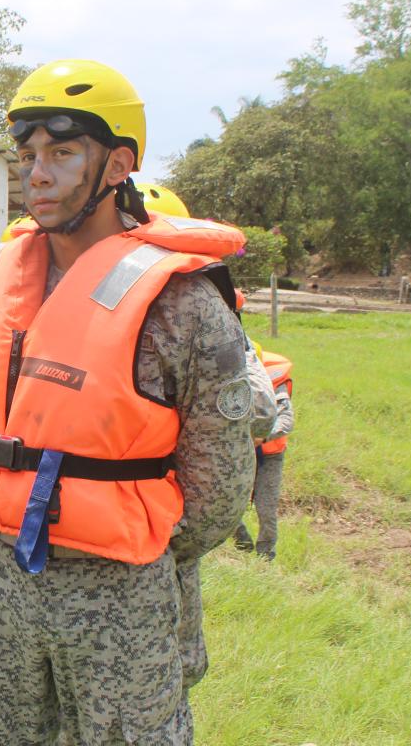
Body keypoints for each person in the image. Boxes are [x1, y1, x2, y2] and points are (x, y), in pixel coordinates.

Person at [0, 59, 257, 744]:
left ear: (118, 165)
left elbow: (219, 488)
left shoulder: (184, 306)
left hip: (120, 586)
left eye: (62, 152)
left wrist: (128, 540)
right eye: (28, 155)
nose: (39, 173)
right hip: (0, 573)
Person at [140, 185, 277, 692]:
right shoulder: (197, 304)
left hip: (82, 527)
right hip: (166, 523)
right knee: (168, 672)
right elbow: (261, 413)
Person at [234, 347, 294, 560]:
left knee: (266, 510)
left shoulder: (275, 376)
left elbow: (287, 420)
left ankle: (266, 557)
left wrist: (261, 436)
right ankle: (242, 543)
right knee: (228, 502)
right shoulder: (228, 373)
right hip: (237, 454)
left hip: (270, 455)